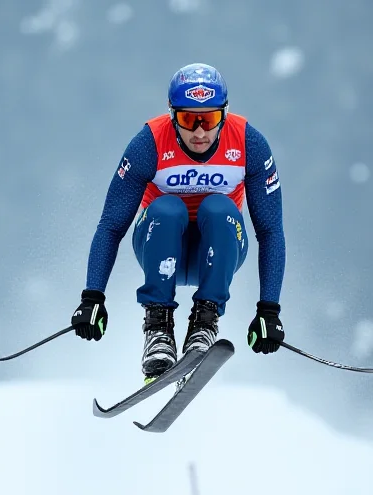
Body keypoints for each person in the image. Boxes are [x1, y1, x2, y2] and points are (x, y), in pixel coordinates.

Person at [71, 63, 287, 380]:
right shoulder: (148, 144)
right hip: (159, 246)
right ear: (173, 115)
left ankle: (205, 323)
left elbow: (270, 231)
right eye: (188, 119)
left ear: (224, 114)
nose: (199, 131)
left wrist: (269, 310)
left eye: (209, 119)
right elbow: (111, 226)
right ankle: (157, 330)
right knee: (168, 208)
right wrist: (92, 297)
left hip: (218, 252)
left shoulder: (249, 144)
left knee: (218, 207)